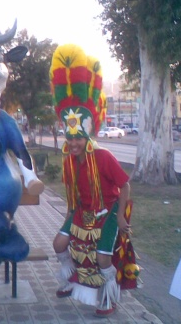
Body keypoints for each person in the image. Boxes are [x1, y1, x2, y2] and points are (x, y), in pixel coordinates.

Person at [50, 44, 134, 317]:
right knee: (59, 245)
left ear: (86, 137)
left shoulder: (103, 155)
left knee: (101, 258)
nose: (73, 143)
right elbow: (73, 191)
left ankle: (108, 298)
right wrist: (70, 212)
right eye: (70, 138)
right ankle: (70, 279)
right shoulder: (68, 159)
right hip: (81, 211)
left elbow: (126, 186)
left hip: (106, 211)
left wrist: (120, 217)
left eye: (77, 138)